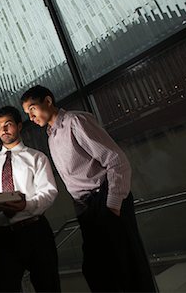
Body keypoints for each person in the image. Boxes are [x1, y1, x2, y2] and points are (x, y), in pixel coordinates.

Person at [21, 85, 156, 292]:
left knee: (126, 268)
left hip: (105, 198)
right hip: (88, 209)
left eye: (32, 109)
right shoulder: (52, 136)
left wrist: (112, 204)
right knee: (97, 271)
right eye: (26, 113)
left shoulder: (75, 122)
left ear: (48, 101)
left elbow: (116, 160)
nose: (30, 117)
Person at [0, 106, 60, 292]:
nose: (3, 130)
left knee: (48, 287)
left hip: (35, 231)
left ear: (19, 125)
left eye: (8, 125)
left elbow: (49, 192)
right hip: (6, 237)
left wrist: (26, 205)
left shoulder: (36, 158)